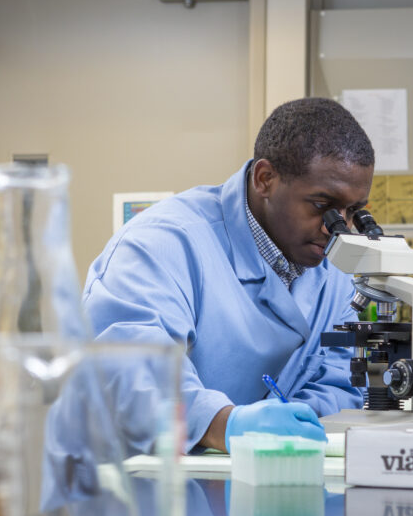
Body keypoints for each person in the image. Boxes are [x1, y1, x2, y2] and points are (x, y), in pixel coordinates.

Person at [81, 97, 373, 454]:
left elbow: (339, 381)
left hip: (264, 484)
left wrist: (298, 426)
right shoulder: (161, 244)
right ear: (265, 179)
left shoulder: (334, 269)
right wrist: (225, 425)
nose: (337, 228)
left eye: (352, 211)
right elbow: (128, 372)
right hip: (144, 484)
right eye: (322, 206)